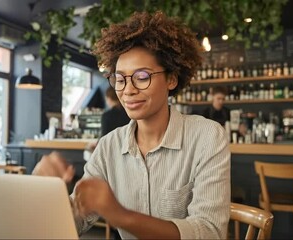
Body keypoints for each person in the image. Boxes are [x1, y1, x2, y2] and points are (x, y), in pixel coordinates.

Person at [69, 11, 231, 239]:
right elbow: (73, 220)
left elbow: (209, 232)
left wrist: (122, 216)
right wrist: (45, 194)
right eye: (119, 78)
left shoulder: (206, 137)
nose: (128, 89)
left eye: (142, 76)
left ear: (171, 79)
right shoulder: (109, 147)